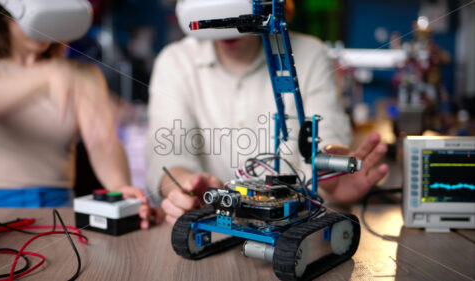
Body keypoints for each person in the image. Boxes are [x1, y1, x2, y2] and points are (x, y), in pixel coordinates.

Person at [145, 0, 389, 225]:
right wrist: (183, 186)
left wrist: (329, 186)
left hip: (289, 226)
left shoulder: (311, 56)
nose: (228, 25)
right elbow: (167, 160)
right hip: (215, 226)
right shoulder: (174, 62)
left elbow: (323, 148)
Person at [0, 0, 162, 229]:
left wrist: (120, 188)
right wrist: (46, 74)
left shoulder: (82, 75)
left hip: (58, 209)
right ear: (4, 14)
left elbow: (103, 142)